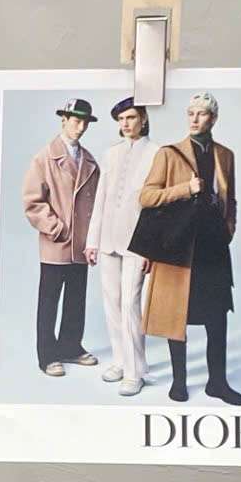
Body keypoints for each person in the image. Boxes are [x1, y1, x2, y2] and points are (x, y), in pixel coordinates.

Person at [138, 92, 241, 404]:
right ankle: (179, 382)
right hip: (179, 246)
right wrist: (185, 188)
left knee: (217, 316)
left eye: (202, 113)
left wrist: (228, 229)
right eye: (191, 113)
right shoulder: (169, 154)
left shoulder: (226, 155)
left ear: (214, 118)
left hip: (213, 246)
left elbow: (230, 200)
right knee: (177, 314)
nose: (195, 119)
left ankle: (218, 383)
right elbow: (146, 197)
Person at [21, 97, 101, 377]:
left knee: (76, 299)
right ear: (64, 120)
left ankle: (71, 347)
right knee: (49, 301)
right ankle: (47, 355)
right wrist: (57, 228)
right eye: (76, 121)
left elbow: (97, 204)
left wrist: (93, 239)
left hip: (81, 245)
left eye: (85, 122)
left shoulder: (89, 160)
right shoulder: (44, 158)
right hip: (56, 242)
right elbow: (33, 202)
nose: (81, 127)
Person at [85, 96, 156, 395]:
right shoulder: (111, 153)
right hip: (108, 239)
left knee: (130, 305)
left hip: (138, 242)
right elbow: (100, 199)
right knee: (112, 303)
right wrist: (92, 241)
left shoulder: (157, 153)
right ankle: (119, 360)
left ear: (143, 119)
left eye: (131, 118)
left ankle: (135, 371)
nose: (126, 124)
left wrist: (151, 248)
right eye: (121, 119)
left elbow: (157, 208)